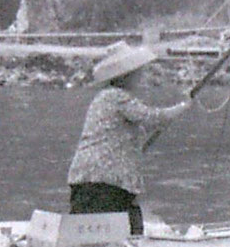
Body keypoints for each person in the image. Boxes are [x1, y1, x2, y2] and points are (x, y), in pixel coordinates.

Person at [66, 42, 189, 236]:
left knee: (99, 230)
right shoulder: (117, 97)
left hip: (89, 177)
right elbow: (154, 118)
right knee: (121, 231)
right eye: (138, 73)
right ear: (127, 75)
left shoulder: (103, 98)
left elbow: (129, 132)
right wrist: (183, 106)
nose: (141, 76)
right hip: (105, 180)